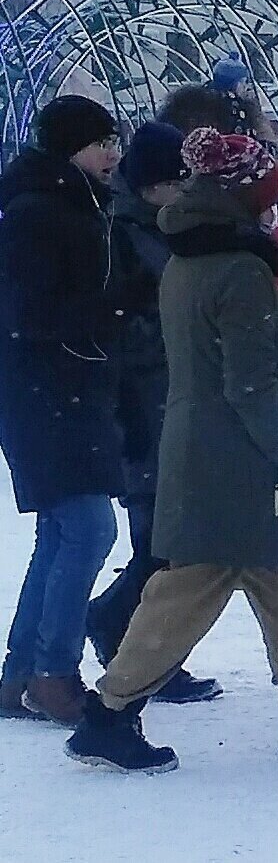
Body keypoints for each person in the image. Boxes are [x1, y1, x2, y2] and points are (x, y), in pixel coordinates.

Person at [66, 126, 278, 773]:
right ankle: (110, 713)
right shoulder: (239, 271)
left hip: (208, 449)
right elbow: (250, 383)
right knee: (196, 588)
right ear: (245, 194)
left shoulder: (193, 256)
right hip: (238, 460)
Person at [0, 97, 129, 725]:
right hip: (46, 393)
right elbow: (30, 316)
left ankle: (22, 671)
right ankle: (53, 673)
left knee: (61, 532)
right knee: (88, 530)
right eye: (101, 141)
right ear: (69, 148)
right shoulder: (38, 213)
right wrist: (113, 313)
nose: (113, 153)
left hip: (59, 391)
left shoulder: (74, 206)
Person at [84, 123, 222, 704]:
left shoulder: (154, 229)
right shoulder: (124, 233)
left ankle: (138, 648)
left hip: (164, 401)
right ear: (154, 182)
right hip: (143, 408)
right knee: (164, 548)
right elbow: (120, 322)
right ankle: (130, 644)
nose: (184, 189)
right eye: (176, 180)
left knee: (166, 544)